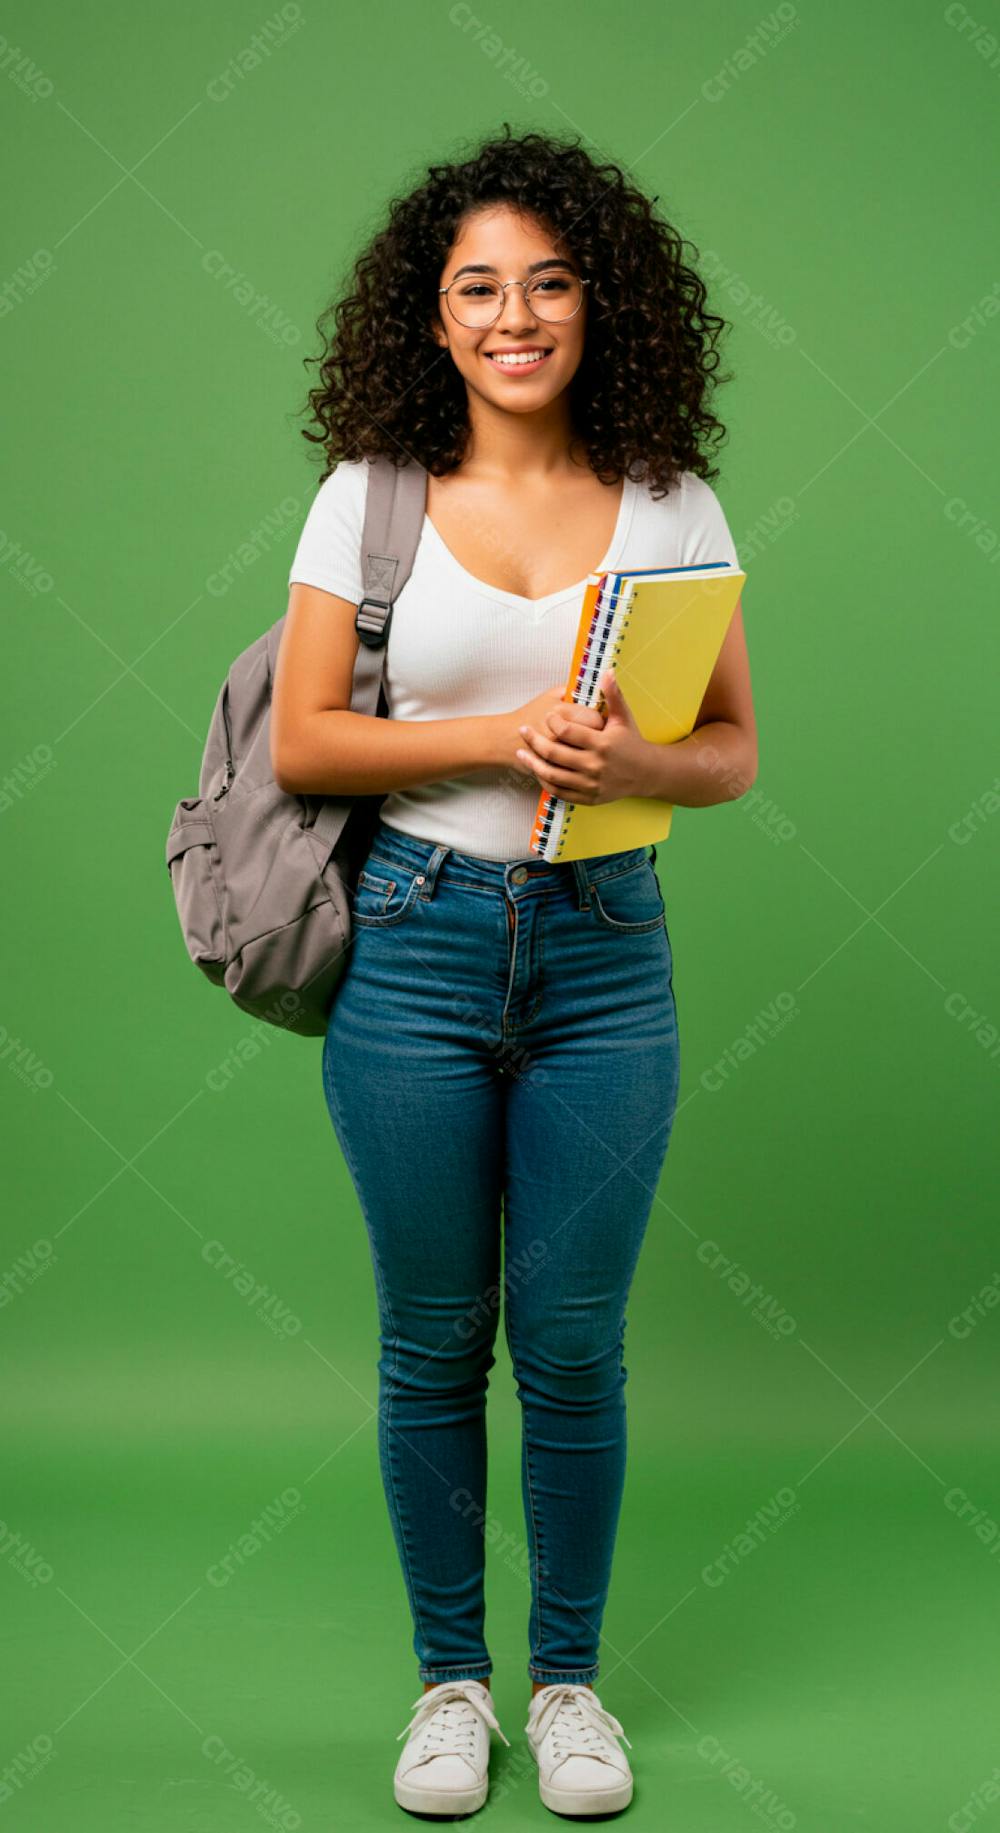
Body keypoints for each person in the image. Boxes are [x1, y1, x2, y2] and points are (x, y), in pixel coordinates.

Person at [271, 123, 758, 1819]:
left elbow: (735, 753)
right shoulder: (371, 497)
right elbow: (311, 736)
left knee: (571, 1343)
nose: (514, 314)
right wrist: (505, 731)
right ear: (434, 318)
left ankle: (565, 1685)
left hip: (610, 958)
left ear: (596, 305)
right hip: (411, 942)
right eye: (478, 287)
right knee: (430, 1341)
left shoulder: (672, 498)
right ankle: (449, 1685)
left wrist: (630, 761)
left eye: (548, 282)